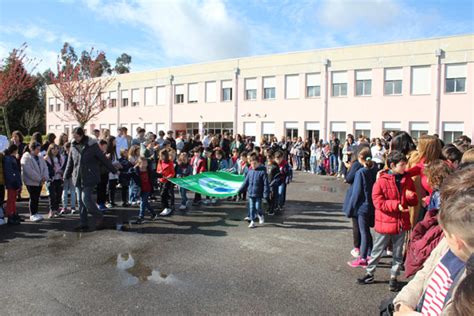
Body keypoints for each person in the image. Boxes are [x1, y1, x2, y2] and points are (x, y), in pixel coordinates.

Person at [393, 188, 473, 315]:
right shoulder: (447, 247)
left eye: (445, 235)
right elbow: (425, 272)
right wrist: (404, 304)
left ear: (457, 242)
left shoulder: (468, 286)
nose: (443, 238)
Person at [357, 151, 418, 291]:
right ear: (392, 165)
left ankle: (393, 277)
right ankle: (369, 273)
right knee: (377, 250)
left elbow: (413, 201)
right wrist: (396, 205)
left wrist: (410, 196)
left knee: (398, 253)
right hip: (385, 222)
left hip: (401, 223)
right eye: (402, 165)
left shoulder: (407, 179)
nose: (405, 167)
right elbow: (378, 202)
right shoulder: (381, 180)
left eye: (405, 164)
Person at [404, 160, 454, 278]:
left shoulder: (439, 194)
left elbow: (438, 213)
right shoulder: (448, 189)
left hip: (437, 229)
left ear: (434, 177)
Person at [64, 127, 117, 231]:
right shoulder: (73, 145)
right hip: (77, 177)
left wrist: (114, 170)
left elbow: (103, 159)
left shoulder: (92, 145)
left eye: (77, 136)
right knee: (80, 201)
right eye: (73, 137)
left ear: (82, 135)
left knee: (85, 199)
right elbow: (70, 161)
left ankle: (100, 217)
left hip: (90, 176)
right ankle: (83, 223)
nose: (75, 139)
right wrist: (66, 175)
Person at [347, 148, 378, 267]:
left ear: (360, 158)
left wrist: (350, 208)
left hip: (362, 206)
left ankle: (363, 257)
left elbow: (356, 193)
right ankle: (369, 254)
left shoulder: (361, 172)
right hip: (372, 204)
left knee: (363, 232)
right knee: (368, 232)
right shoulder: (375, 170)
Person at [239, 152, 269, 228]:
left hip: (258, 194)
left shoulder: (262, 172)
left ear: (258, 163)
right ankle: (252, 221)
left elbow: (266, 184)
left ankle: (260, 215)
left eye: (255, 163)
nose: (253, 165)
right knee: (251, 207)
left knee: (257, 207)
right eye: (252, 164)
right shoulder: (250, 171)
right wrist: (240, 190)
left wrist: (266, 193)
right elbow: (245, 182)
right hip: (251, 193)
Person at [21, 142, 49, 222]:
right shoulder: (26, 157)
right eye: (37, 149)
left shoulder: (40, 157)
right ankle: (32, 214)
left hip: (40, 181)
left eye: (39, 149)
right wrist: (39, 179)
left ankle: (36, 212)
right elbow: (29, 171)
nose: (39, 151)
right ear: (31, 149)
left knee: (36, 198)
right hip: (31, 182)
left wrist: (45, 177)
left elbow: (45, 167)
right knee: (33, 197)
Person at [130, 157, 158, 224]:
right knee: (145, 202)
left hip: (147, 189)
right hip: (140, 189)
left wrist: (163, 175)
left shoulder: (149, 170)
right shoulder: (136, 171)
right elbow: (128, 174)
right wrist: (120, 173)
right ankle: (153, 214)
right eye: (143, 163)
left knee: (142, 202)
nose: (145, 164)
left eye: (146, 163)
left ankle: (141, 217)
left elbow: (156, 174)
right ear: (139, 164)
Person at [44, 144, 65, 218]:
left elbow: (63, 167)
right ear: (50, 150)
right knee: (52, 195)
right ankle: (52, 210)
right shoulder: (46, 158)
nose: (55, 150)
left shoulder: (61, 158)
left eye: (57, 149)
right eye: (53, 149)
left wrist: (61, 172)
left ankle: (56, 210)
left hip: (59, 178)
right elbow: (46, 169)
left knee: (58, 195)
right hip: (51, 179)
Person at [4, 144, 22, 225]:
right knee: (10, 200)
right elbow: (10, 172)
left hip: (14, 182)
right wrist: (14, 182)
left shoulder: (11, 158)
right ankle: (10, 216)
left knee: (13, 199)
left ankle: (13, 214)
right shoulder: (8, 159)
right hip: (12, 182)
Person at [156, 149, 175, 216]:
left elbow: (172, 173)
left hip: (167, 180)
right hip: (161, 179)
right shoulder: (160, 161)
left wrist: (168, 177)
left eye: (161, 155)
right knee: (162, 195)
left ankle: (167, 208)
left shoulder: (170, 162)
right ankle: (163, 207)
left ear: (165, 155)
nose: (160, 157)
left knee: (163, 194)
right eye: (160, 155)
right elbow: (158, 169)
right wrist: (159, 172)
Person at [61, 142, 76, 215]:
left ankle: (70, 207)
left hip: (70, 175)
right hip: (67, 175)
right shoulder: (65, 156)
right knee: (66, 191)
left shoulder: (65, 156)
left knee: (70, 191)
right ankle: (66, 207)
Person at [266, 151, 281, 216]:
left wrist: (272, 183)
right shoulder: (266, 164)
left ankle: (272, 209)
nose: (269, 159)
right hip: (267, 183)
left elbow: (277, 176)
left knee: (272, 197)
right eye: (267, 158)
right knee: (266, 196)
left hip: (273, 184)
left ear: (273, 158)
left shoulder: (275, 166)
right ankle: (270, 206)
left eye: (270, 158)